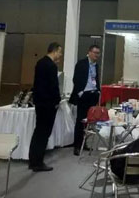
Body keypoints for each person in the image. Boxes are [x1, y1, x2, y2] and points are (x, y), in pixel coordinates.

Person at [29, 42, 63, 172]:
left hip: (39, 102)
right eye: (59, 52)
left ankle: (33, 160)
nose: (60, 55)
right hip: (48, 104)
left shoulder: (40, 63)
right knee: (44, 133)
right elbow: (53, 86)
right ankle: (38, 162)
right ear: (54, 51)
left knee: (38, 131)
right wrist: (57, 100)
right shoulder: (51, 66)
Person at [69, 44, 101, 156]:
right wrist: (80, 92)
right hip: (83, 95)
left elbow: (95, 79)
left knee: (89, 121)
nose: (97, 55)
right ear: (89, 52)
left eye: (98, 53)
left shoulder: (96, 65)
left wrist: (98, 90)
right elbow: (76, 79)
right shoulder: (81, 63)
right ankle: (77, 146)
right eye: (95, 53)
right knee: (80, 120)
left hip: (93, 94)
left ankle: (84, 143)